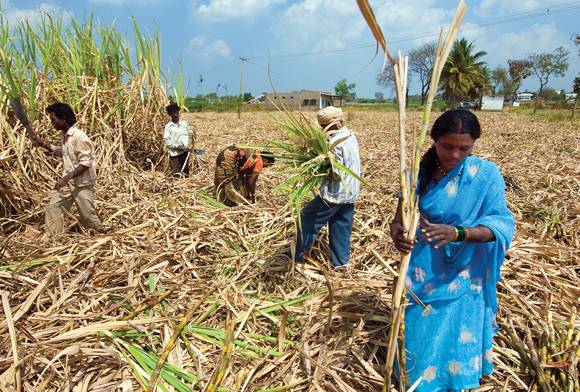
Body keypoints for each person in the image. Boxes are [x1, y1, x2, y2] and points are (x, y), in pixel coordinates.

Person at [389, 109, 515, 391]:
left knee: (456, 329)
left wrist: (458, 233)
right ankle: (417, 380)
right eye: (448, 146)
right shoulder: (416, 175)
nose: (455, 154)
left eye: (464, 148)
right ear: (434, 140)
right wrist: (399, 235)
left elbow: (501, 224)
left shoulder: (485, 175)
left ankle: (454, 379)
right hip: (423, 267)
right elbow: (397, 221)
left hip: (465, 271)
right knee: (417, 326)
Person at [290, 106, 361, 267]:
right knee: (340, 225)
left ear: (331, 125)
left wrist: (316, 165)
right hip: (351, 193)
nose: (321, 129)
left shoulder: (334, 143)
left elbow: (335, 173)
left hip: (335, 194)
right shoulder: (350, 135)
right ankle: (341, 263)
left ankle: (296, 255)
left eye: (323, 126)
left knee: (306, 218)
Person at [26, 103, 102, 235]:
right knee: (54, 208)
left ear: (64, 118)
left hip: (82, 184)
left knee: (88, 218)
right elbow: (65, 152)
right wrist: (43, 144)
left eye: (54, 120)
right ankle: (53, 239)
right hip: (68, 183)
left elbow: (85, 163)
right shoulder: (64, 136)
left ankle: (104, 236)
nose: (52, 123)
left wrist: (65, 178)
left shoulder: (79, 137)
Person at [163, 103, 194, 176]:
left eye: (176, 112)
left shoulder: (184, 124)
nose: (175, 115)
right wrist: (176, 146)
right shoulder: (168, 127)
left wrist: (190, 143)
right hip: (174, 153)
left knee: (186, 173)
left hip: (185, 151)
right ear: (169, 115)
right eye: (172, 113)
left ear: (178, 112)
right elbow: (166, 140)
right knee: (176, 174)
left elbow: (190, 134)